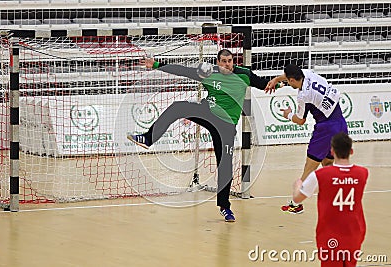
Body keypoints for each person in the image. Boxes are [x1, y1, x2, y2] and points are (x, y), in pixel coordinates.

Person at [128, 49, 276, 222]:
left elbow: (266, 83)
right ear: (218, 62)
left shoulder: (244, 74)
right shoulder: (208, 72)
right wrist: (156, 65)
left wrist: (282, 82)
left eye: (230, 61)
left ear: (233, 61)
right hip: (208, 113)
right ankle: (148, 138)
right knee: (178, 107)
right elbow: (183, 71)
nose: (227, 64)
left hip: (226, 126)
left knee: (225, 165)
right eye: (223, 61)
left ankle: (225, 207)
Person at [266, 64, 348, 214]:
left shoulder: (304, 96)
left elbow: (300, 120)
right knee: (328, 162)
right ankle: (337, 200)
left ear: (291, 80)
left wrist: (288, 114)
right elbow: (290, 75)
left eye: (288, 81)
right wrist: (276, 79)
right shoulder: (308, 74)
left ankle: (296, 204)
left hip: (326, 128)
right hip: (341, 123)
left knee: (310, 167)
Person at [293, 132, 368, 267]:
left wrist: (297, 186)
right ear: (351, 151)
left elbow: (297, 199)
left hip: (329, 232)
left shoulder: (321, 175)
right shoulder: (362, 173)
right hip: (355, 231)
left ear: (332, 151)